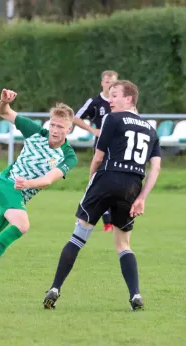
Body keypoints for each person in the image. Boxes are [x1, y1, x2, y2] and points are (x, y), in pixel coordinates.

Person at [43, 80, 161, 311]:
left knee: (79, 235)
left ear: (128, 99)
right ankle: (135, 294)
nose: (109, 99)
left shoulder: (112, 118)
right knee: (124, 244)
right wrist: (141, 198)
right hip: (133, 185)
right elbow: (155, 168)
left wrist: (91, 182)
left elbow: (98, 157)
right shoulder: (151, 129)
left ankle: (55, 288)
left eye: (114, 95)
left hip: (107, 177)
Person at [0, 89, 78, 285]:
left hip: (17, 192)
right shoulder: (35, 131)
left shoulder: (69, 156)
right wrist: (3, 101)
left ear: (69, 129)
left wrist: (28, 184)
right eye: (52, 124)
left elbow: (48, 179)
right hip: (6, 184)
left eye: (60, 126)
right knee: (22, 224)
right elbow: (4, 112)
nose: (55, 130)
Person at [74, 70, 119, 232]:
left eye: (113, 82)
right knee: (99, 181)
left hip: (119, 147)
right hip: (101, 147)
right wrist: (93, 131)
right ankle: (106, 221)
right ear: (102, 83)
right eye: (107, 82)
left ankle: (115, 219)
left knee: (117, 181)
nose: (109, 85)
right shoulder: (95, 102)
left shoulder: (121, 102)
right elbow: (75, 117)